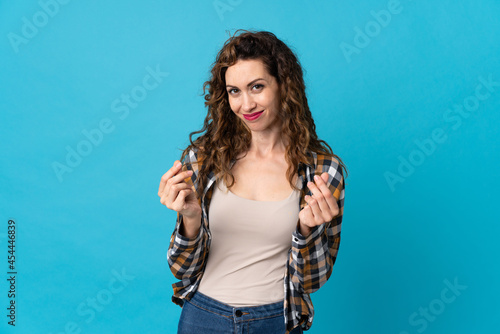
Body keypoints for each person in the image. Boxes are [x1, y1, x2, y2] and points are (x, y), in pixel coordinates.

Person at [158, 29, 348, 334]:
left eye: (256, 87)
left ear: (284, 86)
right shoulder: (205, 159)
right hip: (203, 317)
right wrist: (189, 219)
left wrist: (307, 230)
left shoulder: (322, 171)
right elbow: (181, 269)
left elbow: (312, 281)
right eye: (234, 91)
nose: (246, 105)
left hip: (276, 321)